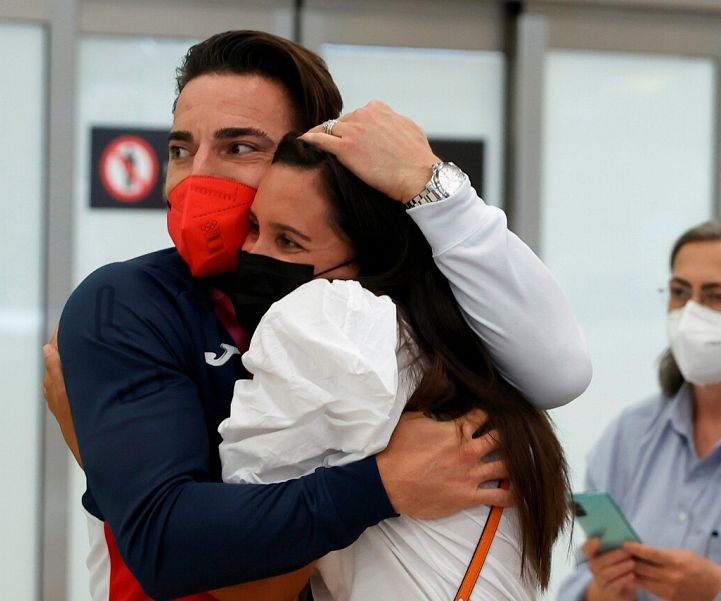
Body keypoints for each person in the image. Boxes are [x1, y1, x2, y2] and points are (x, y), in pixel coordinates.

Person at [45, 30, 591, 599]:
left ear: (314, 154)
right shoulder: (131, 302)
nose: (196, 178)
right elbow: (170, 542)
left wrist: (432, 184)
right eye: (181, 149)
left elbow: (559, 370)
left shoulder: (357, 302)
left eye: (239, 148)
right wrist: (383, 484)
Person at [216, 135, 571, 600]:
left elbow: (245, 577)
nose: (256, 254)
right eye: (254, 227)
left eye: (290, 241)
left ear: (368, 257)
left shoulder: (333, 316)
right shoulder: (464, 347)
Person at [557, 215, 721, 601]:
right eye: (679, 291)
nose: (691, 314)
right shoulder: (630, 434)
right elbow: (580, 578)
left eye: (717, 296)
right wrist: (600, 591)